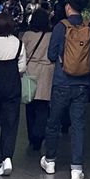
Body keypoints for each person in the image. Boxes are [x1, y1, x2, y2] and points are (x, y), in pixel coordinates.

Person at [40, 0, 90, 179]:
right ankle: (76, 168)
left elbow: (51, 55)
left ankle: (50, 161)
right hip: (82, 84)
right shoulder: (89, 28)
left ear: (67, 7)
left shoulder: (60, 27)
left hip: (62, 82)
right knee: (78, 125)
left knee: (53, 122)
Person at [0, 12, 26, 174]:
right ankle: (7, 157)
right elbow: (22, 68)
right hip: (12, 85)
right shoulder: (18, 43)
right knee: (10, 122)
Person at [21, 8, 54, 152]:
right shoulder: (50, 35)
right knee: (43, 106)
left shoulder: (27, 35)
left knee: (30, 105)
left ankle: (32, 136)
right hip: (46, 71)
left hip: (31, 70)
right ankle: (39, 135)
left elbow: (22, 54)